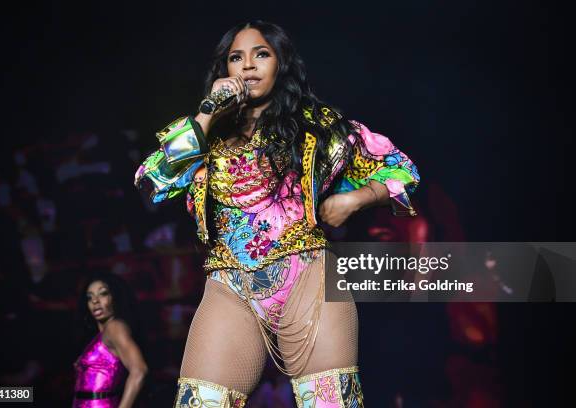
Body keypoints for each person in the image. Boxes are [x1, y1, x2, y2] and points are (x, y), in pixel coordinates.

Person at [135, 20, 420, 407]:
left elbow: (402, 169)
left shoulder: (318, 127)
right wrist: (206, 114)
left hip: (308, 278)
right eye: (236, 58)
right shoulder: (204, 136)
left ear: (281, 63)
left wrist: (356, 199)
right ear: (225, 71)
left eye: (261, 54)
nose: (248, 66)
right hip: (230, 285)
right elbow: (150, 180)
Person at [73, 272, 148, 407]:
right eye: (90, 297)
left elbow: (139, 371)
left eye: (103, 294)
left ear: (115, 297)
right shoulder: (100, 335)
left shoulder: (115, 328)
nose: (95, 301)